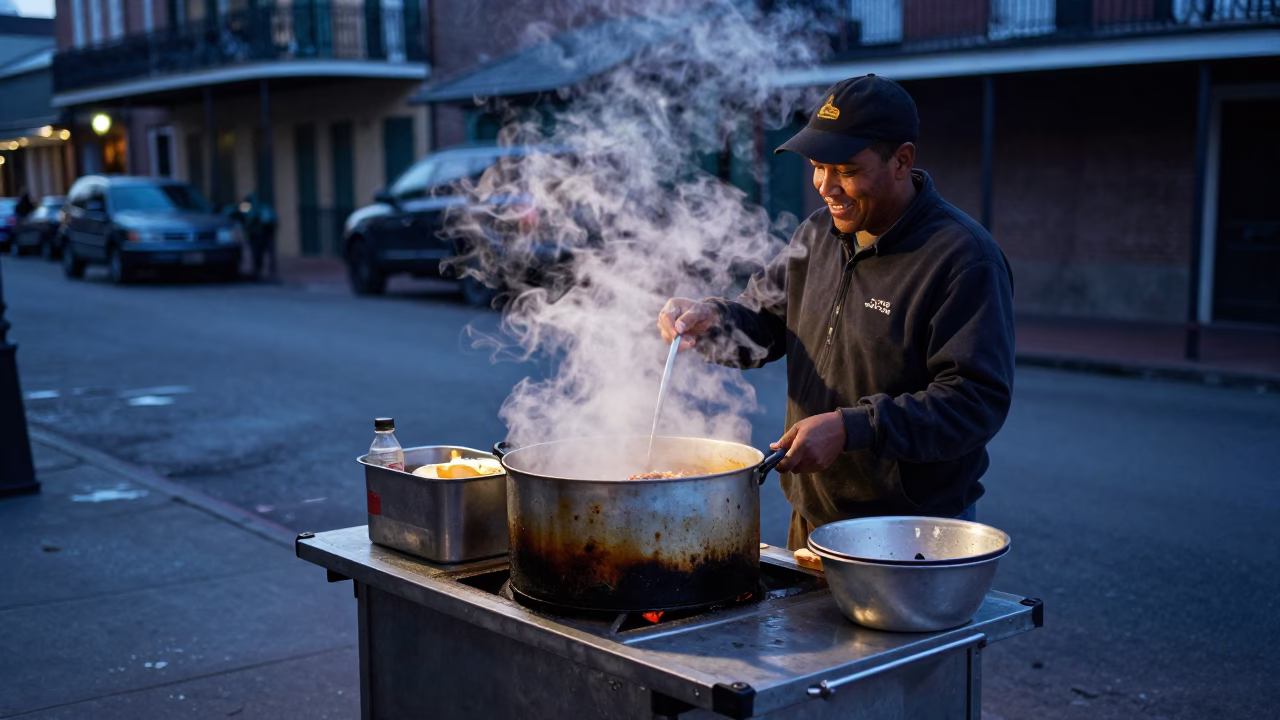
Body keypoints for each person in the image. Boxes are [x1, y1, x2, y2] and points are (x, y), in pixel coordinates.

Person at [657, 75, 1016, 551]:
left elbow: (975, 402)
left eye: (845, 169)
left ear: (901, 161)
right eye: (817, 167)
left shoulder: (963, 258)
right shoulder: (817, 234)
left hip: (909, 529)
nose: (827, 187)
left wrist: (853, 428)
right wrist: (713, 320)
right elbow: (763, 323)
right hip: (811, 516)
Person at [236, 192, 278, 280]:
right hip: (262, 234)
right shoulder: (263, 207)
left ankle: (261, 270)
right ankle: (264, 270)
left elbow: (247, 219)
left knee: (259, 254)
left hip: (258, 234)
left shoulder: (252, 207)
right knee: (264, 253)